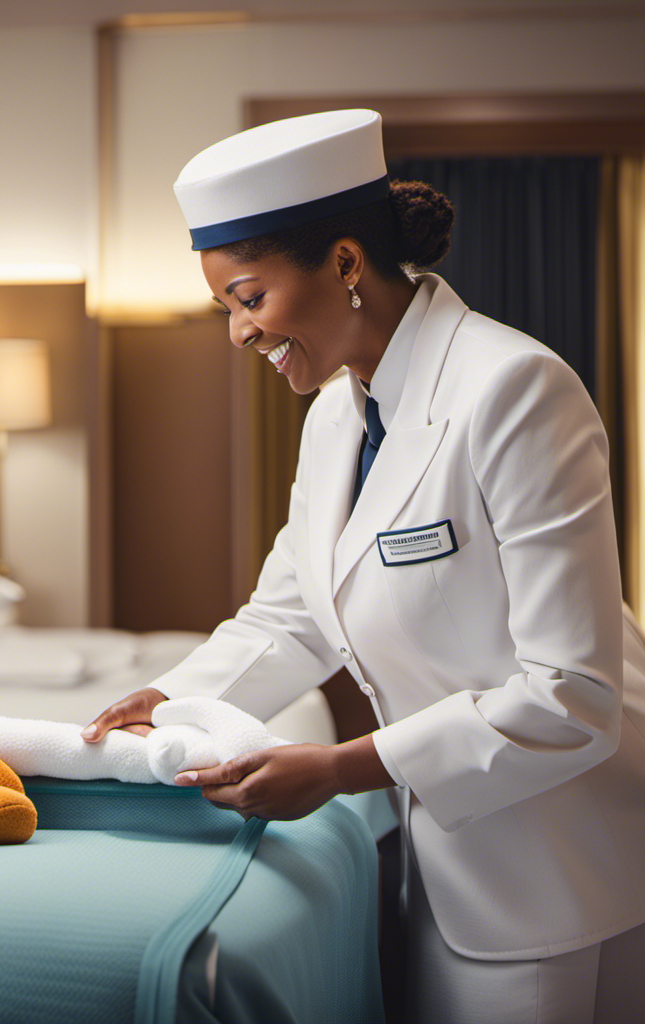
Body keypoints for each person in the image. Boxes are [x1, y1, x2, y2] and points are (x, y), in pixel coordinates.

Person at [81, 110, 645, 1024]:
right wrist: (171, 702)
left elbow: (573, 693)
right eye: (228, 306)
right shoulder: (339, 416)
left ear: (345, 264)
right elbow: (293, 613)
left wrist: (343, 768)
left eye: (249, 298)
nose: (237, 334)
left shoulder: (513, 390)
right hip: (451, 861)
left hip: (560, 867)